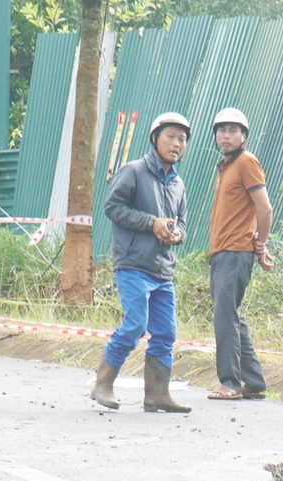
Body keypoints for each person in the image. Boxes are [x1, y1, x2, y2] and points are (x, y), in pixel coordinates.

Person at [91, 111, 192, 413]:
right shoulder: (133, 171)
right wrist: (151, 223)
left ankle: (157, 394)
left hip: (163, 271)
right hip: (133, 264)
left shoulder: (178, 184)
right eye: (170, 137)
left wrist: (176, 235)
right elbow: (112, 207)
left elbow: (183, 225)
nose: (176, 144)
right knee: (136, 324)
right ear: (155, 138)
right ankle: (103, 383)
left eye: (182, 140)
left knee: (165, 334)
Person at [206, 107, 274, 401]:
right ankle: (254, 381)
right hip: (223, 251)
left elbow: (265, 207)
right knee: (231, 315)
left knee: (224, 317)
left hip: (236, 251)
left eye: (233, 131)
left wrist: (261, 241)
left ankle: (230, 383)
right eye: (222, 130)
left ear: (243, 136)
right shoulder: (226, 166)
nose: (226, 135)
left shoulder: (247, 162)